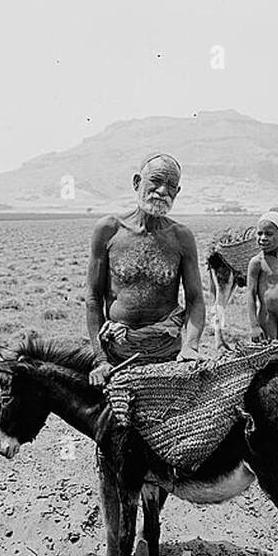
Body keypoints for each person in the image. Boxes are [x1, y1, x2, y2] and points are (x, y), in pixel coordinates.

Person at [86, 153, 205, 387]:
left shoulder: (181, 237)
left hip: (167, 354)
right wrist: (100, 359)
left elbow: (196, 299)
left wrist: (190, 346)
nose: (162, 191)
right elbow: (93, 298)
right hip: (116, 356)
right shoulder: (109, 230)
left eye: (171, 186)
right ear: (137, 182)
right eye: (156, 181)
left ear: (177, 192)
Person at [246, 211, 278, 345]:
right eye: (260, 233)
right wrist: (254, 326)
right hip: (268, 318)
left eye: (269, 234)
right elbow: (250, 294)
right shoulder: (257, 262)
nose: (263, 238)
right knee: (271, 353)